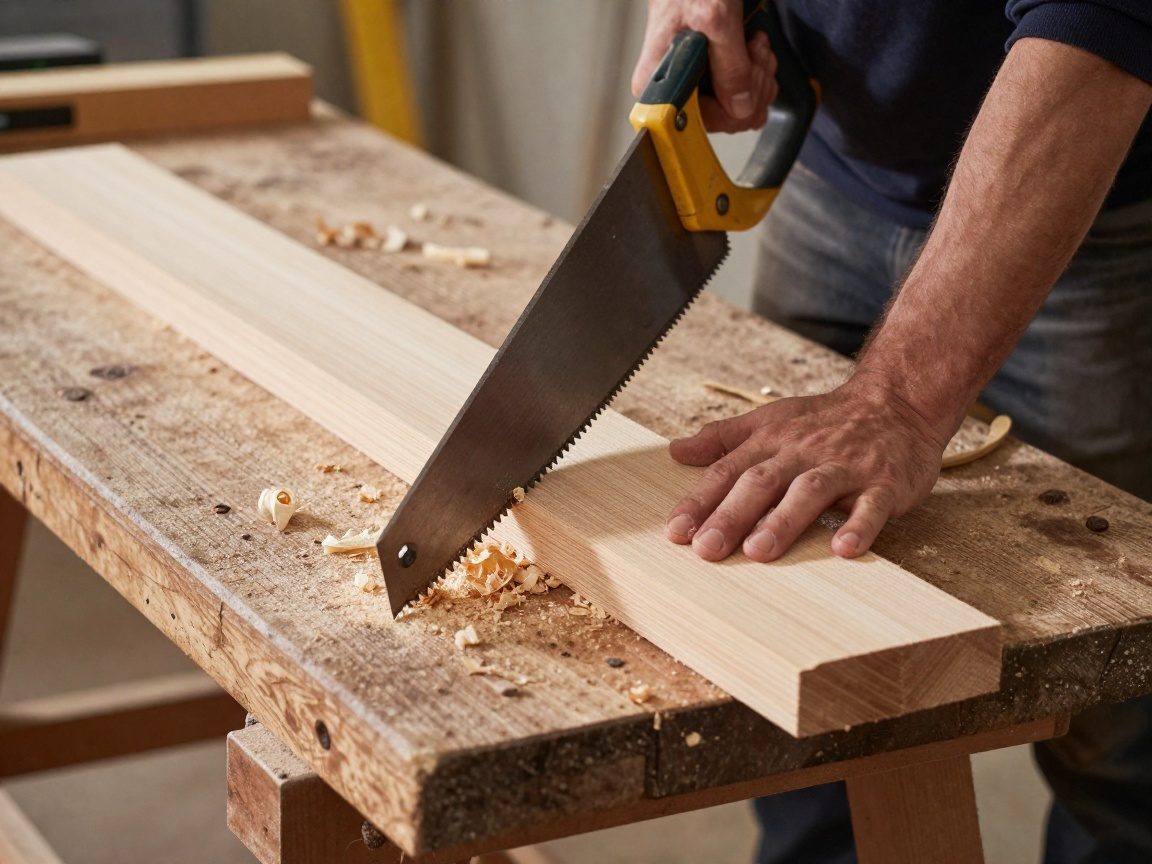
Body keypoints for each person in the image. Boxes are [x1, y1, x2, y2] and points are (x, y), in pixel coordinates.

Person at [631, 2, 1152, 862]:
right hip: (835, 171)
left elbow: (1100, 19)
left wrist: (900, 400)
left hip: (1093, 206)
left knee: (1119, 723)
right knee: (798, 645)